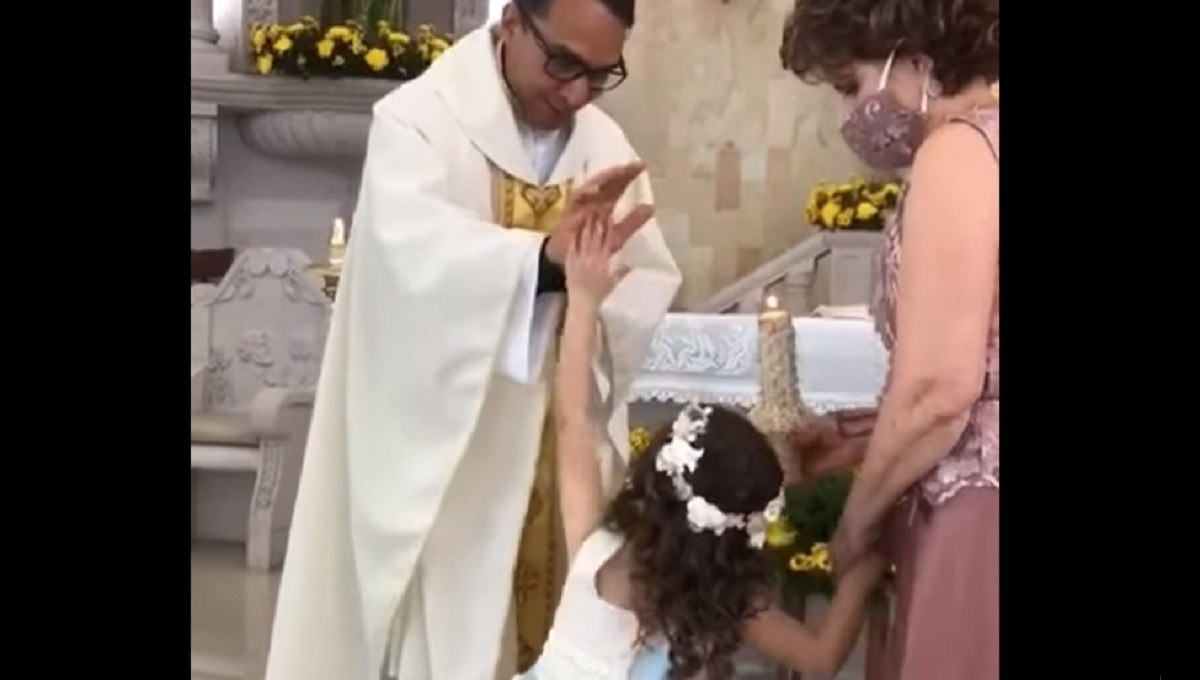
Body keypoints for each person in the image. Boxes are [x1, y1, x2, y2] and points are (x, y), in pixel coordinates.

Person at [262, 0, 682, 678]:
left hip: (562, 457)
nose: (576, 92)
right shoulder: (420, 122)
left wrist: (597, 285)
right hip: (455, 467)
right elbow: (407, 269)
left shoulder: (605, 145)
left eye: (602, 74)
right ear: (512, 23)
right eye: (564, 64)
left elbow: (644, 281)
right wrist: (541, 259)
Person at [544, 219, 889, 679]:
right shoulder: (721, 599)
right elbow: (820, 659)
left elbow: (573, 421)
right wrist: (860, 577)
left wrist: (583, 298)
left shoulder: (595, 547)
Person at [779, 1, 999, 679]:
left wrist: (856, 522)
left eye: (850, 85)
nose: (848, 117)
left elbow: (941, 392)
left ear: (915, 57)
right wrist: (859, 441)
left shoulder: (961, 149)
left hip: (978, 514)